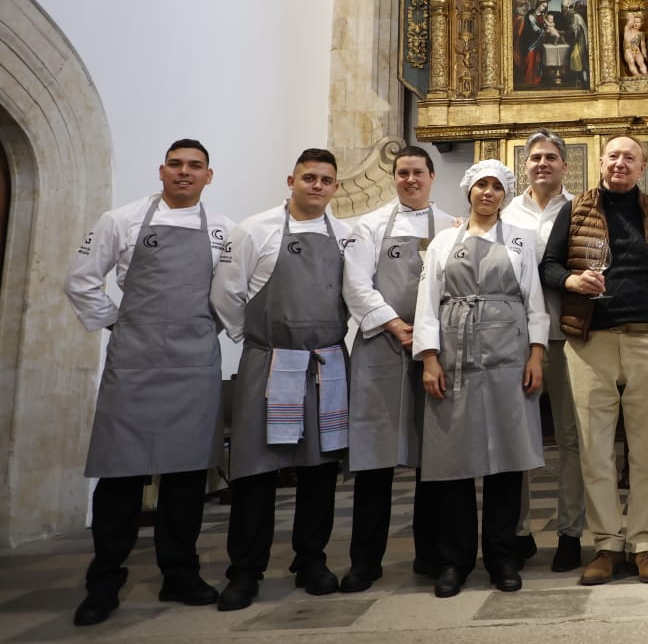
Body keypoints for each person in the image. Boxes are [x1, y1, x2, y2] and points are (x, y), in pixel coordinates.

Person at [63, 139, 233, 626]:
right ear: (161, 170)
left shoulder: (223, 230)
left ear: (208, 175)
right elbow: (81, 279)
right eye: (176, 165)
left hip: (195, 363)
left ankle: (180, 573)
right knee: (120, 475)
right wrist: (117, 323)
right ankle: (104, 581)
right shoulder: (121, 221)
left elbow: (234, 291)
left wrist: (209, 329)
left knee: (185, 476)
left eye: (194, 166)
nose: (184, 173)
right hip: (134, 362)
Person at [210, 148, 362, 611]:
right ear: (291, 180)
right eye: (309, 177)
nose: (317, 186)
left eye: (326, 180)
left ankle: (310, 559)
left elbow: (356, 293)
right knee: (256, 470)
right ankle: (245, 570)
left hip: (327, 364)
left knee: (319, 470)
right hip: (270, 362)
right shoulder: (254, 230)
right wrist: (257, 338)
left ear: (336, 188)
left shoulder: (347, 236)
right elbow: (226, 294)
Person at [541, 135, 648, 586]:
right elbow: (547, 266)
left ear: (642, 167)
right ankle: (605, 545)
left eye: (630, 157)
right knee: (595, 450)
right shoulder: (576, 208)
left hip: (646, 338)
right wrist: (572, 281)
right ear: (600, 162)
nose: (620, 163)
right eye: (614, 155)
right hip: (590, 342)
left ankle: (643, 545)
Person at [412, 159, 548, 596]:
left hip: (509, 360)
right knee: (454, 464)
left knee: (506, 464)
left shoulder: (522, 242)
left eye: (496, 187)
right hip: (455, 363)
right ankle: (454, 561)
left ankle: (503, 557)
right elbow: (427, 304)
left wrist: (536, 356)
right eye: (480, 185)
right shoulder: (443, 242)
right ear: (468, 190)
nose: (487, 193)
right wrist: (430, 359)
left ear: (504, 195)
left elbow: (535, 304)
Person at [339, 146, 456, 592]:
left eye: (418, 173)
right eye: (402, 173)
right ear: (393, 178)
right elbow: (356, 285)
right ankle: (364, 562)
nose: (410, 180)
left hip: (433, 352)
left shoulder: (449, 227)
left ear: (431, 177)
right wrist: (394, 324)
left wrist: (425, 335)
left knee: (434, 462)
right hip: (380, 352)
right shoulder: (367, 227)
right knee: (375, 462)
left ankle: (430, 556)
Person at [502, 130, 586, 573]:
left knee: (573, 438)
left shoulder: (580, 210)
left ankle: (570, 531)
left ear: (565, 166)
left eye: (551, 157)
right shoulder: (504, 211)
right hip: (515, 340)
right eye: (535, 157)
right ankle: (518, 532)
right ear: (525, 166)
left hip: (568, 335)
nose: (542, 164)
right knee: (519, 436)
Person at [622, 10, 648, 77]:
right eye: (634, 22)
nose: (636, 24)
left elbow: (643, 45)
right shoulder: (627, 30)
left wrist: (645, 54)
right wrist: (633, 15)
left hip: (636, 50)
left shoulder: (641, 34)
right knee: (631, 61)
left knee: (641, 63)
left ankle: (645, 74)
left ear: (641, 23)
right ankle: (637, 75)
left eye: (638, 22)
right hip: (628, 50)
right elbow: (630, 22)